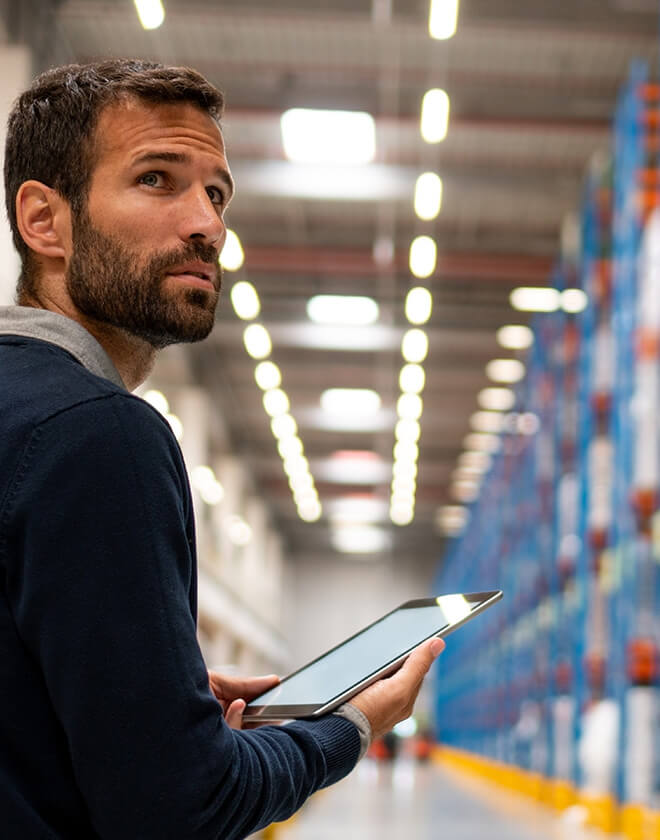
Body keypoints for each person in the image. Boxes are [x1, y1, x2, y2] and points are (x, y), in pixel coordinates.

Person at [0, 59, 444, 839]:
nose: (205, 222)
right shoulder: (101, 433)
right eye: (156, 180)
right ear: (45, 221)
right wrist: (350, 726)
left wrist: (145, 696)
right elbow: (184, 809)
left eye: (216, 192)